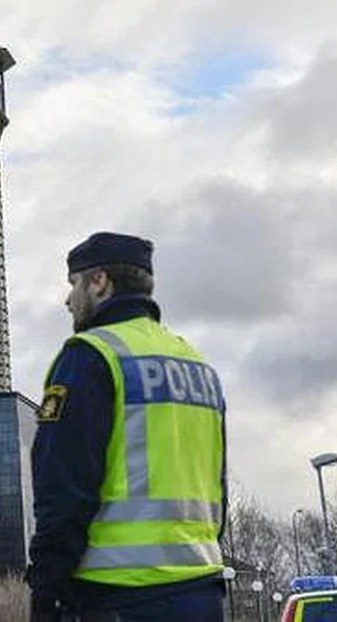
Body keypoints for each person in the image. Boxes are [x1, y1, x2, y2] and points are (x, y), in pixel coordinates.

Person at [27, 232, 228, 622]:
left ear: (100, 282)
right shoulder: (197, 365)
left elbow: (64, 486)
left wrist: (47, 589)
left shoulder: (91, 356)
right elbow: (217, 485)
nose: (68, 300)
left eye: (74, 284)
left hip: (118, 595)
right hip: (202, 591)